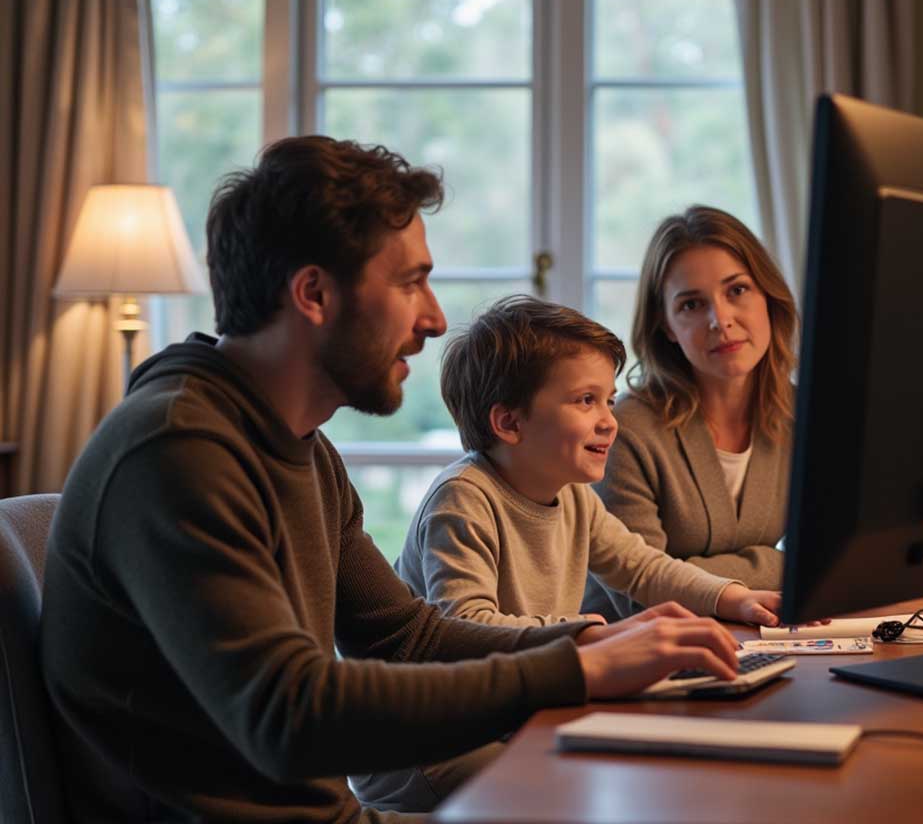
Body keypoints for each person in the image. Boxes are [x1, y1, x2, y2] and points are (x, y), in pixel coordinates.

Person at [39, 138, 750, 823]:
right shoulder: (178, 452)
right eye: (411, 282)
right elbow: (290, 715)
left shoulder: (302, 451)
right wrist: (574, 673)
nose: (436, 319)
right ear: (314, 294)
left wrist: (584, 645)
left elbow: (405, 637)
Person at [390, 295, 784, 630]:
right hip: (437, 713)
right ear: (509, 422)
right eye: (585, 400)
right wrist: (592, 631)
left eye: (608, 401)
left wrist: (733, 598)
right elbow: (468, 625)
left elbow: (644, 569)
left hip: (517, 685)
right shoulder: (462, 501)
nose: (609, 421)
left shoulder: (575, 498)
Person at [587, 205, 798, 620]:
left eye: (737, 290)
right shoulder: (626, 429)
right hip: (634, 656)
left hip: (755, 638)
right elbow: (641, 593)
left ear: (769, 297)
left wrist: (686, 572)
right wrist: (781, 566)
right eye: (691, 305)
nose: (720, 320)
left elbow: (831, 560)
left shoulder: (801, 417)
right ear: (666, 325)